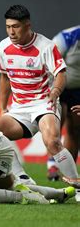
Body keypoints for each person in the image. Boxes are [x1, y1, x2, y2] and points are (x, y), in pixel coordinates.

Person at [0, 5, 79, 185]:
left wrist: (55, 91)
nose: (11, 32)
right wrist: (2, 106)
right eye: (8, 27)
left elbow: (61, 73)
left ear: (27, 25)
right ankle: (22, 178)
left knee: (52, 141)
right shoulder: (3, 47)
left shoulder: (45, 46)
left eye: (15, 26)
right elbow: (4, 77)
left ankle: (77, 184)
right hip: (19, 108)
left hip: (44, 103)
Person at [46, 25, 80, 181]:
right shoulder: (66, 38)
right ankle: (52, 165)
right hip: (58, 86)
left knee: (75, 129)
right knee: (56, 126)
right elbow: (49, 63)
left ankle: (69, 173)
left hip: (78, 90)